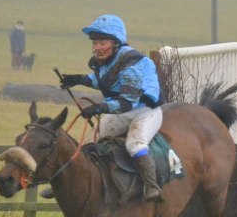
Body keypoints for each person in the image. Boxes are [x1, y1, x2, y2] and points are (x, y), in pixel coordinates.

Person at [59, 14, 165, 202]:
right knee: (88, 143)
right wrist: (76, 80)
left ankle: (152, 186)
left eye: (102, 43)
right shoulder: (110, 61)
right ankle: (71, 182)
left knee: (135, 143)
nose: (96, 48)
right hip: (124, 111)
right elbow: (102, 80)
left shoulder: (131, 63)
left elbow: (126, 102)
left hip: (144, 111)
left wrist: (98, 108)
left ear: (115, 43)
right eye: (95, 43)